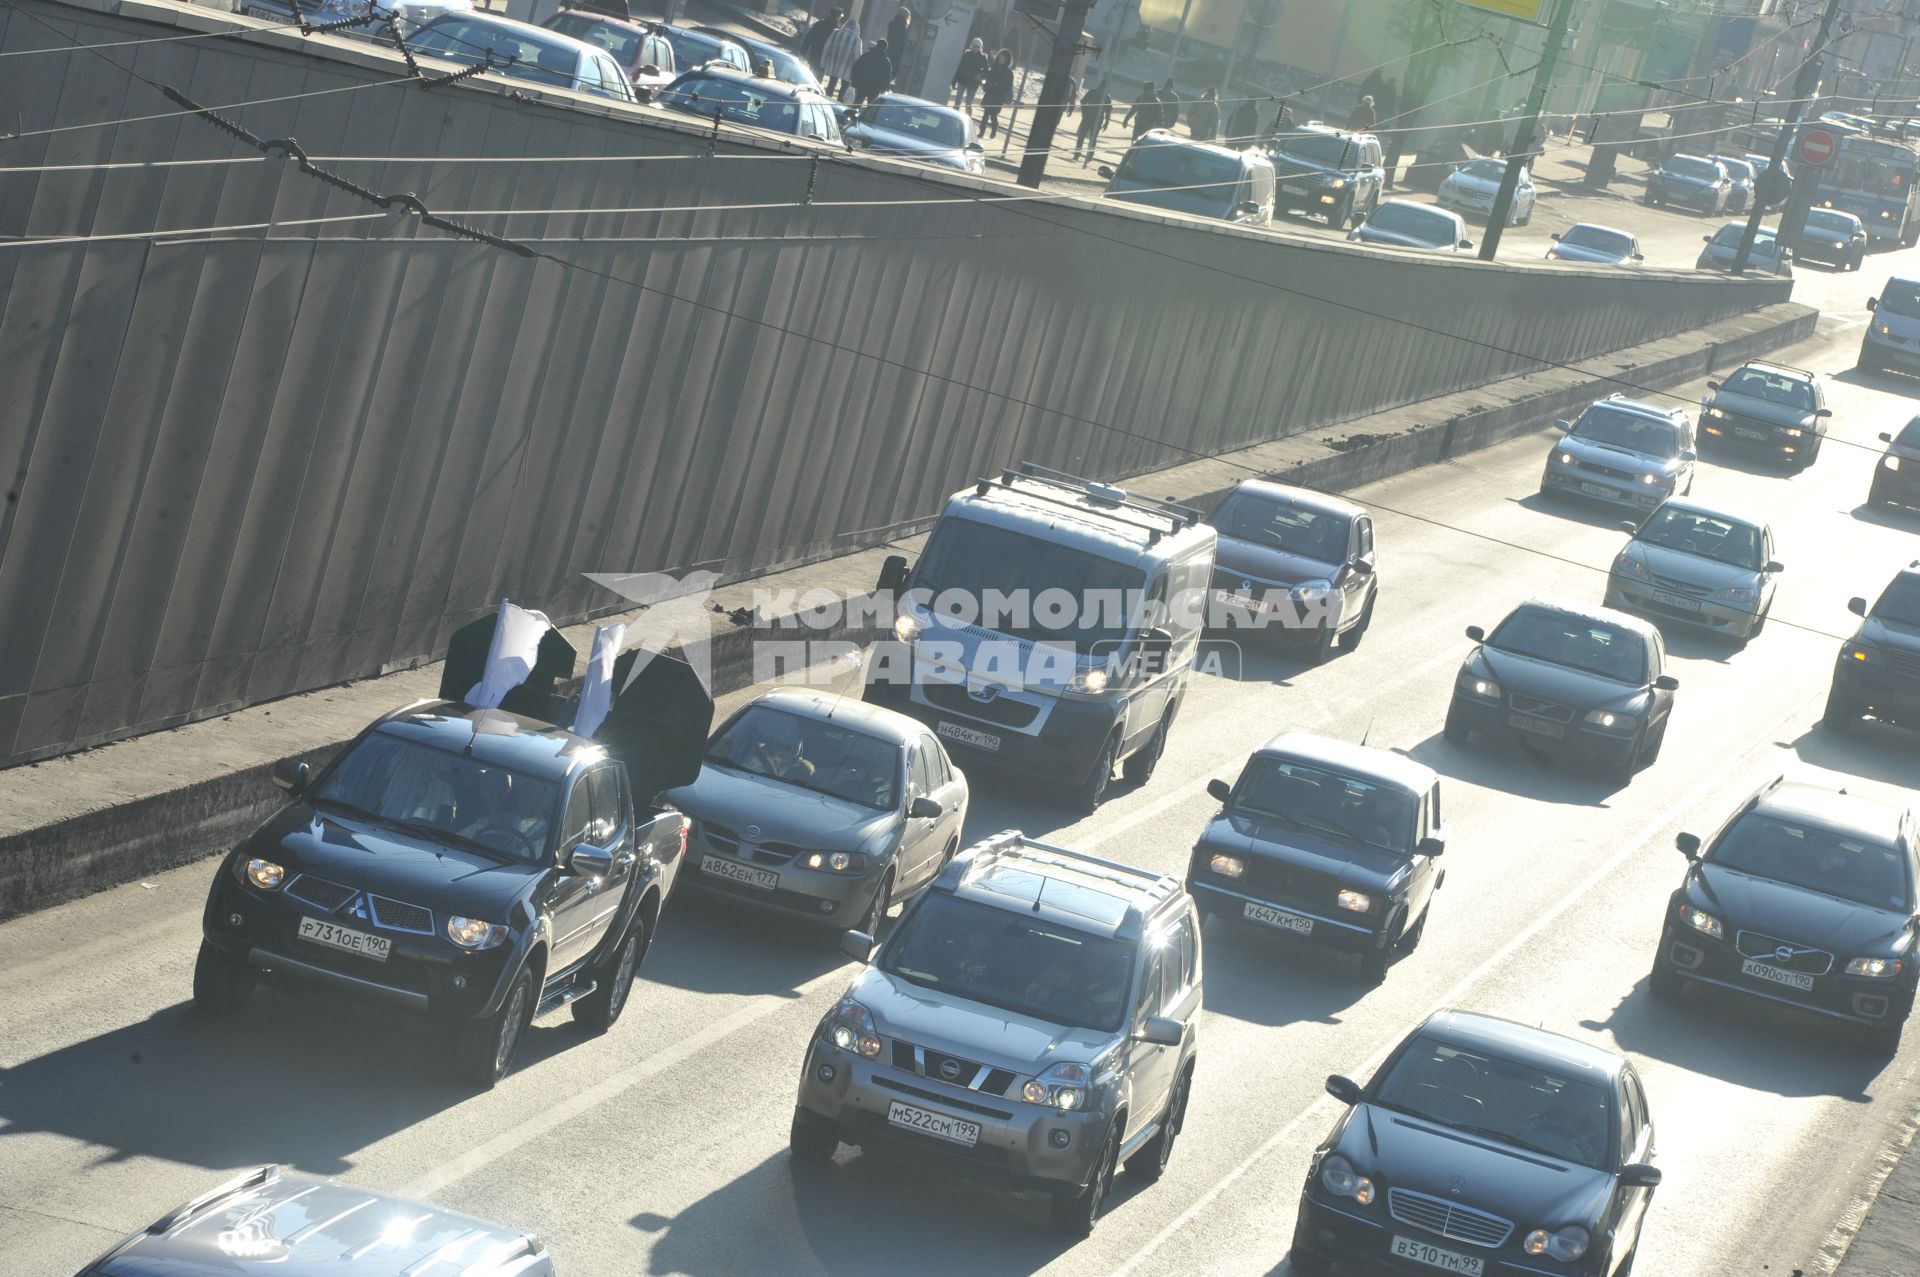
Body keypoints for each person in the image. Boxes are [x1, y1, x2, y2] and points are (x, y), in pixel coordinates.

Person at [740, 716, 816, 781]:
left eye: (790, 749)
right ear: (773, 745)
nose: (785, 753)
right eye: (781, 746)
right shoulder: (753, 765)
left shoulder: (800, 767)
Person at [819, 14, 862, 101]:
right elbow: (858, 57)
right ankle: (839, 103)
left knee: (831, 84)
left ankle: (826, 100)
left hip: (833, 64)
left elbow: (827, 47)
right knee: (844, 87)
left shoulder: (836, 33)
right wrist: (856, 72)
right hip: (847, 68)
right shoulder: (857, 40)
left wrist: (823, 62)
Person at [1074, 77, 1111, 163]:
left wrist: (1106, 123)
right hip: (1090, 118)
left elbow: (1108, 112)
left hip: (1094, 120)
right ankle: (1080, 155)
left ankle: (1086, 156)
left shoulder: (1105, 97)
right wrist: (1084, 112)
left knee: (1090, 138)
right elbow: (1083, 102)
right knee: (1085, 137)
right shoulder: (1095, 93)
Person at [981, 48, 1014, 138]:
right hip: (990, 94)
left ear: (1007, 60)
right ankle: (981, 132)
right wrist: (986, 85)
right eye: (1000, 57)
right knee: (985, 114)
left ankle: (994, 131)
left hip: (998, 97)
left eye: (1003, 58)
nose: (1000, 59)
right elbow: (988, 78)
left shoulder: (1008, 72)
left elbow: (1008, 86)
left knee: (993, 115)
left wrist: (999, 87)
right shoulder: (994, 67)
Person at [849, 37, 892, 104]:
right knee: (871, 107)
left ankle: (852, 113)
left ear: (877, 45)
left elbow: (856, 68)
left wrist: (854, 81)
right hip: (875, 88)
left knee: (857, 103)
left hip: (862, 84)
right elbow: (887, 77)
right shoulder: (886, 61)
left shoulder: (866, 55)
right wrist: (884, 89)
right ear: (885, 48)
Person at [952, 37, 988, 112]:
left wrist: (980, 76)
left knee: (968, 103)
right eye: (974, 46)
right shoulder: (966, 54)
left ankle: (968, 117)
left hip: (973, 83)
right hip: (962, 80)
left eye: (977, 46)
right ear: (971, 45)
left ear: (980, 48)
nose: (975, 48)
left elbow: (986, 71)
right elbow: (959, 68)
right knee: (958, 99)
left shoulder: (983, 58)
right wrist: (954, 81)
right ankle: (955, 114)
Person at [801, 7, 841, 72]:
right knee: (819, 75)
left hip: (814, 53)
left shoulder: (820, 23)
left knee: (811, 72)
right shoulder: (836, 30)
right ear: (837, 16)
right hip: (826, 57)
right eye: (840, 16)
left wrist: (803, 51)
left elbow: (809, 37)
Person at [887, 6, 912, 88]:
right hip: (897, 54)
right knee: (892, 73)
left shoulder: (892, 23)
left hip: (888, 50)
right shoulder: (903, 28)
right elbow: (902, 42)